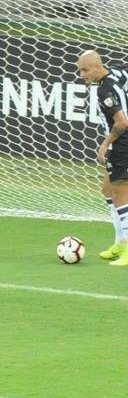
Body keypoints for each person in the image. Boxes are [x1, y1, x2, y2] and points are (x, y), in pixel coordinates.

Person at [77, 49, 128, 265]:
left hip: (122, 143)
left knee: (120, 192)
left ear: (98, 67)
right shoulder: (117, 73)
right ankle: (119, 242)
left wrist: (105, 144)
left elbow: (122, 122)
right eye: (80, 70)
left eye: (85, 70)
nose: (82, 75)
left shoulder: (105, 90)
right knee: (108, 189)